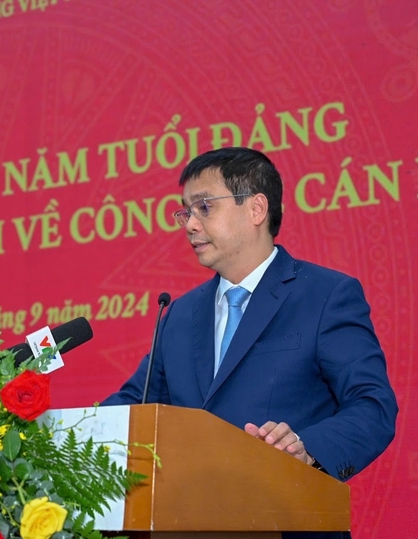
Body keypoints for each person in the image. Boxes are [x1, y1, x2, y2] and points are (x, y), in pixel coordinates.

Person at [102, 147, 398, 539]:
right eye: (185, 212)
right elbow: (134, 406)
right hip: (187, 524)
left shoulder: (325, 295)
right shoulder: (180, 314)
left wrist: (306, 449)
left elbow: (372, 406)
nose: (189, 224)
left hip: (286, 522)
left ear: (256, 209)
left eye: (203, 207)